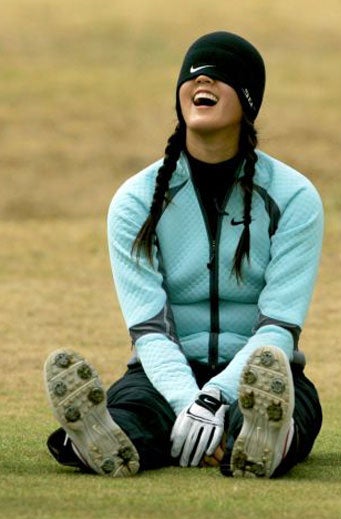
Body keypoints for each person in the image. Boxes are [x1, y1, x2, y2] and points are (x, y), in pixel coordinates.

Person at [44, 31, 323, 478]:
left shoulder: (294, 198)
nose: (201, 81)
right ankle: (99, 437)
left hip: (259, 375)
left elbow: (279, 327)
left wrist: (215, 396)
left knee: (284, 408)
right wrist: (186, 401)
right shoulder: (136, 200)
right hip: (160, 373)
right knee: (135, 410)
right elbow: (149, 329)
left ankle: (263, 436)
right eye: (192, 74)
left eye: (219, 75)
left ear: (249, 100)